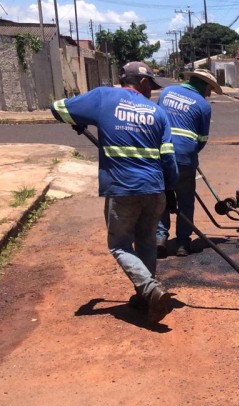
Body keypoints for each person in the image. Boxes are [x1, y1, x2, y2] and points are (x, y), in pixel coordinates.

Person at [50, 61, 179, 324]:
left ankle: (150, 289)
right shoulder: (157, 112)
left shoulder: (103, 98)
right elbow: (169, 158)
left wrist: (78, 117)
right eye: (151, 86)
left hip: (123, 189)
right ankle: (146, 298)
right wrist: (171, 189)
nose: (152, 92)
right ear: (141, 83)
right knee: (145, 240)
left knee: (119, 245)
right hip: (155, 189)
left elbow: (58, 108)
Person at [155, 69, 221, 257]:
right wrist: (189, 155)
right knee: (185, 200)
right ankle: (183, 243)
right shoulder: (203, 106)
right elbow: (201, 138)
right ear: (203, 84)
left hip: (160, 154)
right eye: (210, 89)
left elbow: (157, 119)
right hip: (185, 157)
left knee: (162, 196)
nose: (209, 94)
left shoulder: (166, 92)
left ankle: (160, 237)